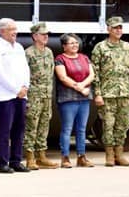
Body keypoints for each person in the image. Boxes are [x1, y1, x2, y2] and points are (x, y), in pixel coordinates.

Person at [91, 16, 129, 167]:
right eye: (115, 28)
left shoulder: (128, 47)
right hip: (107, 93)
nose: (119, 30)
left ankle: (119, 153)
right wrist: (97, 93)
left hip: (125, 92)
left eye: (120, 28)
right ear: (108, 30)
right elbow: (95, 72)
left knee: (123, 124)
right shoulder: (100, 48)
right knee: (108, 124)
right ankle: (109, 155)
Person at [0, 18, 31, 174]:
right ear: (2, 31)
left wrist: (26, 86)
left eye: (15, 29)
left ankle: (16, 160)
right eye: (11, 29)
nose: (15, 32)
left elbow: (26, 69)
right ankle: (2, 163)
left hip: (21, 94)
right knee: (5, 130)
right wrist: (15, 89)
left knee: (19, 129)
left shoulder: (19, 47)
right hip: (5, 96)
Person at [55, 33, 95, 168]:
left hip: (84, 98)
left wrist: (83, 86)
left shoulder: (84, 57)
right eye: (71, 43)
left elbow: (91, 74)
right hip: (68, 99)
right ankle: (65, 157)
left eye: (76, 43)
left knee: (82, 129)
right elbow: (63, 77)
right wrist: (80, 88)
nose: (75, 45)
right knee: (67, 128)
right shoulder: (60, 59)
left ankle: (81, 157)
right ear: (64, 46)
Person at [23, 22, 59, 170]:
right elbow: (24, 75)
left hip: (46, 95)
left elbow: (50, 73)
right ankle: (30, 158)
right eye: (43, 34)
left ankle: (42, 156)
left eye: (47, 34)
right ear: (34, 36)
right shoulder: (28, 53)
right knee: (32, 126)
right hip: (33, 95)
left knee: (44, 125)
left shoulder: (49, 52)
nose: (46, 37)